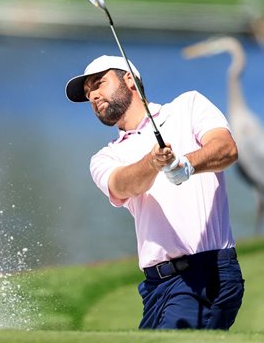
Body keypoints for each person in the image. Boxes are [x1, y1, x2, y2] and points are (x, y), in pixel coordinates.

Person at [65, 55, 245, 330]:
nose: (93, 96)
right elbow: (122, 185)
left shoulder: (188, 106)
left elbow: (226, 149)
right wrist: (153, 163)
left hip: (207, 273)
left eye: (99, 84)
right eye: (89, 93)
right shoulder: (104, 157)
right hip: (156, 287)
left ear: (129, 79)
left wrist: (185, 164)